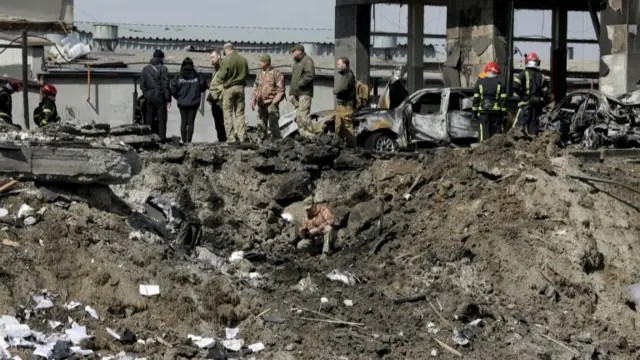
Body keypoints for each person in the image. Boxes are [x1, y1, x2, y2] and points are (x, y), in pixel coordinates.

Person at [217, 43, 249, 143]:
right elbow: (247, 74)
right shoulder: (243, 60)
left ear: (226, 50)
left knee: (228, 113)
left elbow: (221, 76)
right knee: (240, 113)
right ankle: (242, 137)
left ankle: (231, 138)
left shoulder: (226, 60)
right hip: (240, 88)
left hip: (229, 88)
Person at [171, 57, 207, 144]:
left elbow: (173, 90)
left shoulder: (178, 76)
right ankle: (189, 141)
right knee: (191, 122)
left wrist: (179, 97)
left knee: (183, 121)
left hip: (182, 103)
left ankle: (184, 141)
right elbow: (203, 87)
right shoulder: (197, 76)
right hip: (194, 103)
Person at [512, 52, 550, 135]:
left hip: (525, 105)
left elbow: (515, 85)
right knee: (533, 131)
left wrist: (521, 94)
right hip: (536, 107)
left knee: (517, 130)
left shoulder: (523, 73)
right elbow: (546, 92)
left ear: (527, 61)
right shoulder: (541, 76)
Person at [250, 54, 284, 141]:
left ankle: (278, 143)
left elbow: (280, 91)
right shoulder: (259, 74)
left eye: (261, 61)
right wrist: (253, 99)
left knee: (273, 125)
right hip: (261, 104)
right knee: (261, 126)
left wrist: (274, 103)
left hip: (271, 104)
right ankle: (261, 143)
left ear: (266, 62)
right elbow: (255, 87)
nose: (260, 63)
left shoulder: (276, 73)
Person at [140, 49, 171, 141]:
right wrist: (168, 99)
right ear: (161, 58)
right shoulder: (163, 69)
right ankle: (161, 140)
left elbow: (142, 85)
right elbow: (166, 85)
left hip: (149, 96)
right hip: (160, 96)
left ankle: (149, 139)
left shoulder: (145, 69)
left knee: (149, 119)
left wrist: (146, 94)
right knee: (162, 119)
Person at [472, 61, 507, 142]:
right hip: (496, 114)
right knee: (496, 138)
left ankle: (482, 152)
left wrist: (474, 115)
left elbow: (475, 100)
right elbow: (503, 102)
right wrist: (504, 115)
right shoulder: (501, 83)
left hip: (483, 113)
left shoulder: (479, 82)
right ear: (497, 72)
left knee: (483, 137)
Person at [289, 44, 315, 138]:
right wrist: (291, 93)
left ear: (300, 51)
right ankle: (303, 136)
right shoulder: (296, 62)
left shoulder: (307, 60)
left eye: (294, 51)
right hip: (296, 94)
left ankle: (310, 137)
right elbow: (293, 79)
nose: (292, 53)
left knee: (304, 116)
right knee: (299, 117)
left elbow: (309, 75)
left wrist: (299, 84)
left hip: (304, 93)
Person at [333, 57, 357, 146]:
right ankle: (339, 144)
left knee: (347, 126)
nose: (337, 66)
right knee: (338, 125)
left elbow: (343, 88)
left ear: (344, 64)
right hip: (341, 105)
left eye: (339, 64)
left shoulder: (348, 75)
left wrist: (335, 91)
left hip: (346, 105)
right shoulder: (345, 75)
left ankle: (352, 146)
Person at [207, 50, 226, 142]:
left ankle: (224, 140)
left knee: (221, 122)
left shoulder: (224, 67)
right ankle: (221, 139)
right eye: (211, 57)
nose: (211, 59)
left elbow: (224, 83)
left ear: (218, 56)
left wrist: (216, 94)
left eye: (213, 57)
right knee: (217, 122)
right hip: (214, 99)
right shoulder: (215, 68)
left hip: (220, 99)